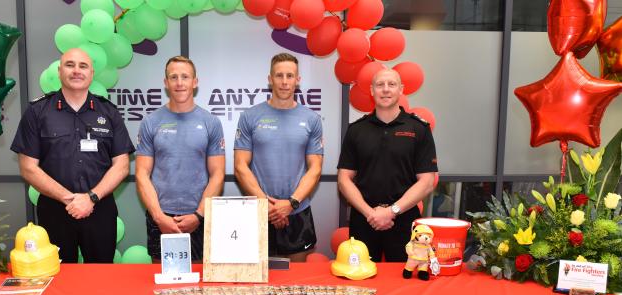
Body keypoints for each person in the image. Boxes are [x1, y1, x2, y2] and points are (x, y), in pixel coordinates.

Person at [10, 48, 134, 263]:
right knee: (57, 277)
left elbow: (122, 165)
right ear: (59, 71)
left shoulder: (108, 112)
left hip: (100, 210)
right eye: (70, 65)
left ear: (92, 73)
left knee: (101, 278)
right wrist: (71, 200)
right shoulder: (38, 112)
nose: (77, 71)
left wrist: (90, 198)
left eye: (83, 66)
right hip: (55, 210)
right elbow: (28, 167)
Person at [337, 68, 437, 262]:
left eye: (391, 84)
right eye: (380, 85)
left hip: (404, 219)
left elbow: (426, 181)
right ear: (372, 90)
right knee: (359, 279)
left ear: (401, 90)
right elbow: (344, 179)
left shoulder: (418, 129)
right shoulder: (356, 130)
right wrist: (371, 214)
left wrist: (391, 211)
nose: (385, 89)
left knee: (405, 282)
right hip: (364, 220)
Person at [234, 53, 323, 262]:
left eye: (290, 76)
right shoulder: (250, 116)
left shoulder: (311, 119)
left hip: (297, 211)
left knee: (295, 283)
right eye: (279, 75)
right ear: (270, 78)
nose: (284, 82)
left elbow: (315, 168)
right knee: (257, 284)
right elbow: (240, 166)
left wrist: (290, 203)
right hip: (259, 211)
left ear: (298, 80)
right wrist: (266, 204)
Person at [135, 56, 225, 261]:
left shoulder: (211, 122)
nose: (179, 83)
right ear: (166, 83)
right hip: (161, 217)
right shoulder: (151, 122)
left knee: (201, 283)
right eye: (173, 77)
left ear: (195, 82)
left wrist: (199, 215)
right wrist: (159, 217)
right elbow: (141, 173)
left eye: (185, 77)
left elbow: (218, 174)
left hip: (199, 216)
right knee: (162, 280)